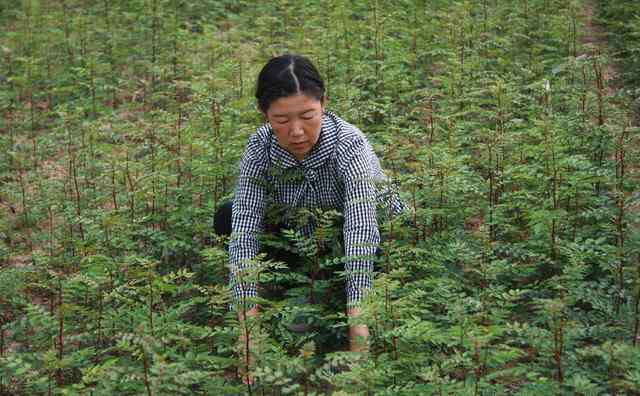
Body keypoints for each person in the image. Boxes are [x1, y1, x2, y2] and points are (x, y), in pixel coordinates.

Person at [214, 54, 404, 384]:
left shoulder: (350, 144)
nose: (297, 131)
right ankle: (300, 286)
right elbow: (245, 228)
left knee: (362, 243)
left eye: (307, 116)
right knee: (227, 216)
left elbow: (361, 231)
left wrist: (359, 332)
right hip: (305, 235)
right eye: (282, 120)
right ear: (264, 114)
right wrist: (248, 333)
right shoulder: (260, 147)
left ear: (323, 104)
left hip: (364, 236)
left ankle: (347, 298)